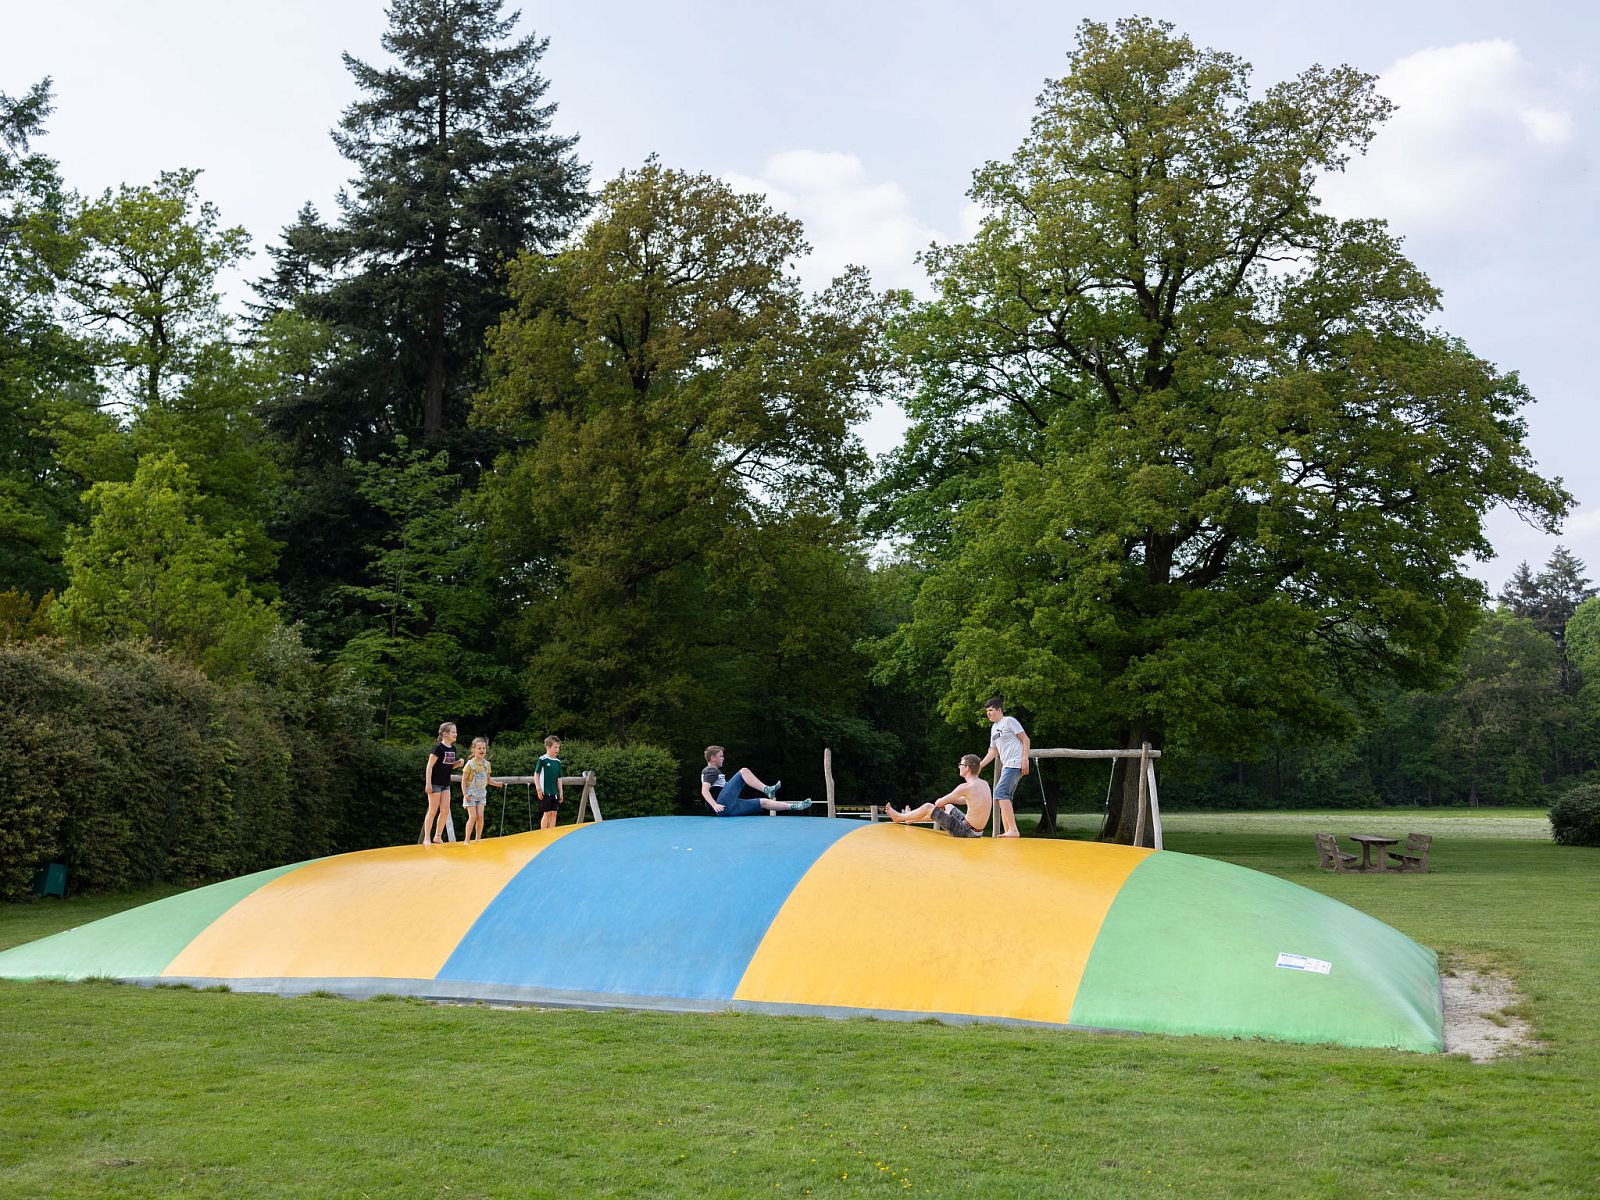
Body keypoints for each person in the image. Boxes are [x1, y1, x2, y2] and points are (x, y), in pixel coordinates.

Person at [885, 754, 992, 838]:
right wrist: (949, 801)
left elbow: (938, 803)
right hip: (977, 832)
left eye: (961, 764)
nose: (959, 766)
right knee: (948, 806)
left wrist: (943, 800)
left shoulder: (965, 787)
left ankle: (899, 817)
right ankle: (911, 819)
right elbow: (966, 800)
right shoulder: (984, 784)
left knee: (928, 807)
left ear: (967, 768)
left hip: (965, 831)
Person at [700, 745, 812, 815]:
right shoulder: (710, 770)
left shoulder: (714, 772)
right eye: (720, 756)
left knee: (762, 802)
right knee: (744, 771)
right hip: (721, 805)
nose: (723, 758)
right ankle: (767, 789)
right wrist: (715, 805)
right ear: (712, 758)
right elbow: (704, 791)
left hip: (727, 809)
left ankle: (795, 806)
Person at [976, 696, 1027, 838]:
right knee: (1006, 796)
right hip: (1007, 765)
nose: (988, 713)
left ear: (999, 710)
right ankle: (1008, 830)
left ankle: (1013, 830)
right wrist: (980, 766)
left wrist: (1025, 760)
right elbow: (993, 751)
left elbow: (1025, 739)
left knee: (999, 792)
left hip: (1015, 763)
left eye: (991, 710)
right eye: (987, 711)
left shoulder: (1009, 721)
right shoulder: (994, 728)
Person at [459, 737, 506, 844]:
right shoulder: (469, 765)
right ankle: (467, 839)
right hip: (470, 795)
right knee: (473, 816)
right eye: (479, 748)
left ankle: (478, 838)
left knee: (480, 816)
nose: (482, 750)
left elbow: (488, 779)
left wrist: (496, 784)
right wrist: (465, 793)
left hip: (481, 795)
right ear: (474, 750)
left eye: (483, 748)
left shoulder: (487, 765)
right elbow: (463, 781)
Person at [423, 723, 461, 844]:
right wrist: (428, 783)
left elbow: (448, 766)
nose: (456, 734)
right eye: (453, 732)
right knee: (433, 810)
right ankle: (426, 838)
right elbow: (429, 766)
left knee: (445, 810)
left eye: (456, 732)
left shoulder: (453, 749)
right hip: (434, 783)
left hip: (445, 783)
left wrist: (457, 763)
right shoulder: (438, 748)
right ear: (445, 734)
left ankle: (437, 836)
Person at [535, 735, 564, 830]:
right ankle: (543, 835)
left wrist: (561, 792)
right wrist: (538, 789)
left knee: (554, 813)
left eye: (558, 747)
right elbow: (536, 774)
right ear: (548, 747)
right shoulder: (542, 759)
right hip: (544, 791)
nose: (557, 749)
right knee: (546, 813)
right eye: (555, 747)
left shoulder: (558, 762)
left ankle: (551, 835)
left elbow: (559, 778)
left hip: (554, 792)